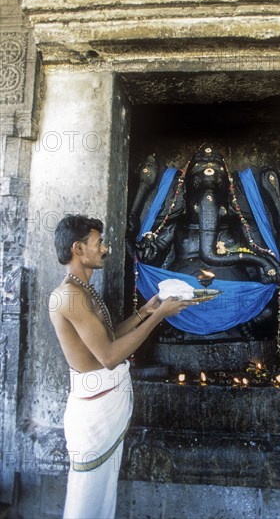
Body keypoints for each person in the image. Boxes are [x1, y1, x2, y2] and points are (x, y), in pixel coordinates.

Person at [49, 214, 195, 519]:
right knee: (85, 501)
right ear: (78, 248)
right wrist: (159, 317)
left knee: (103, 498)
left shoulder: (83, 289)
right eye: (98, 243)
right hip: (92, 411)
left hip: (104, 403)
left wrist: (146, 309)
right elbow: (109, 355)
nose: (104, 249)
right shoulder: (68, 297)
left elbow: (110, 336)